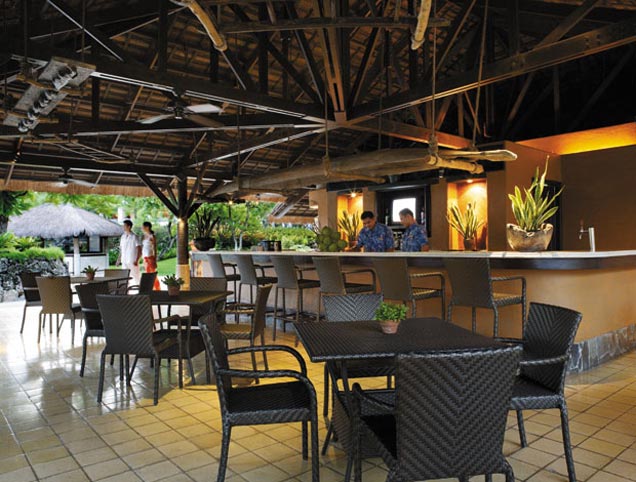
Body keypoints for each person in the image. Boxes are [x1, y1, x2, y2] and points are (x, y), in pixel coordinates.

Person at [117, 219, 141, 284]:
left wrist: (137, 260)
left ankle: (139, 289)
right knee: (125, 277)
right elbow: (121, 249)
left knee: (136, 276)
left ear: (129, 226)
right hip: (124, 260)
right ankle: (126, 289)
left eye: (124, 225)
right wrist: (118, 260)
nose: (123, 227)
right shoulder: (123, 236)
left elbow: (139, 249)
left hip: (132, 260)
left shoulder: (134, 237)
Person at [142, 221, 161, 290]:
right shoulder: (143, 236)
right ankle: (150, 288)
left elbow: (155, 248)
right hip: (145, 257)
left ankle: (157, 288)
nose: (142, 228)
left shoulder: (152, 236)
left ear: (147, 227)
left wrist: (155, 259)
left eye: (143, 227)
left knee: (152, 274)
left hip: (150, 257)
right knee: (147, 274)